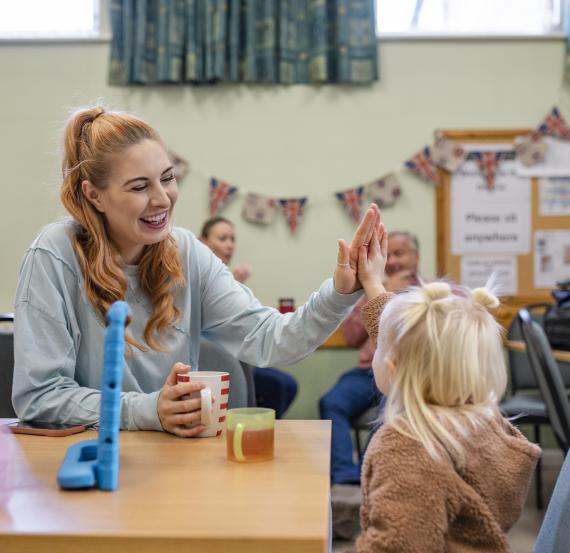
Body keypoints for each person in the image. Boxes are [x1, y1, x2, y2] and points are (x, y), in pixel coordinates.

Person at [12, 105, 381, 439]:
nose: (163, 199)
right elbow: (40, 397)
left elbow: (270, 339)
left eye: (168, 178)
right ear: (94, 196)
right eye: (140, 186)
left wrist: (338, 293)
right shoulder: (54, 255)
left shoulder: (186, 252)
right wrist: (149, 409)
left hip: (170, 460)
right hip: (83, 460)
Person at [238, 228, 541, 553]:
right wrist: (371, 281)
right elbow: (407, 342)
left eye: (382, 346)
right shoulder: (486, 425)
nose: (378, 343)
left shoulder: (410, 449)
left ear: (393, 370)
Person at [319, 231, 420, 485]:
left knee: (392, 409)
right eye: (390, 255)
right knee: (331, 402)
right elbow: (351, 336)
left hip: (405, 374)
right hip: (366, 372)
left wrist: (394, 299)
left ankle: (369, 473)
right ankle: (344, 474)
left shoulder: (431, 293)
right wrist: (379, 295)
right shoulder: (371, 289)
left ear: (416, 257)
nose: (394, 261)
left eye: (401, 253)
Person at [200, 216, 298, 418]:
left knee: (288, 384)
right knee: (278, 386)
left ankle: (259, 429)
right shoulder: (199, 272)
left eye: (232, 239)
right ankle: (254, 429)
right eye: (223, 238)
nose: (229, 245)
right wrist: (235, 282)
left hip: (238, 357)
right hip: (212, 362)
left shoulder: (226, 276)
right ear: (203, 242)